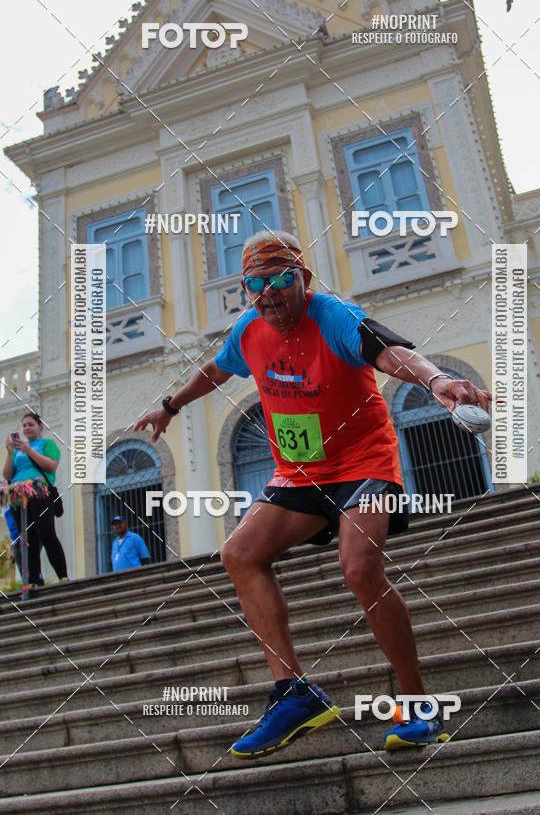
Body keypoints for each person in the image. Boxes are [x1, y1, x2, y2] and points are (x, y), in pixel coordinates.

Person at [134, 230, 491, 758]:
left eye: (279, 281)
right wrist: (170, 403)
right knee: (239, 553)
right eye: (255, 285)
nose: (268, 295)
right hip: (299, 472)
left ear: (302, 279)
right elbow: (216, 369)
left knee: (359, 567)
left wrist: (437, 381)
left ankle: (417, 704)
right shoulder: (249, 329)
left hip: (366, 461)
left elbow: (390, 353)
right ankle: (294, 693)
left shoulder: (335, 317)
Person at [3, 412, 67, 584]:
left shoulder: (47, 443)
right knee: (27, 539)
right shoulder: (17, 451)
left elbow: (51, 465)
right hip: (18, 494)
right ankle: (33, 580)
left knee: (46, 534)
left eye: (30, 424)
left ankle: (62, 575)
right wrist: (10, 453)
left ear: (40, 426)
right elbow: (8, 474)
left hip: (39, 492)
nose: (26, 428)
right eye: (24, 425)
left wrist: (29, 450)